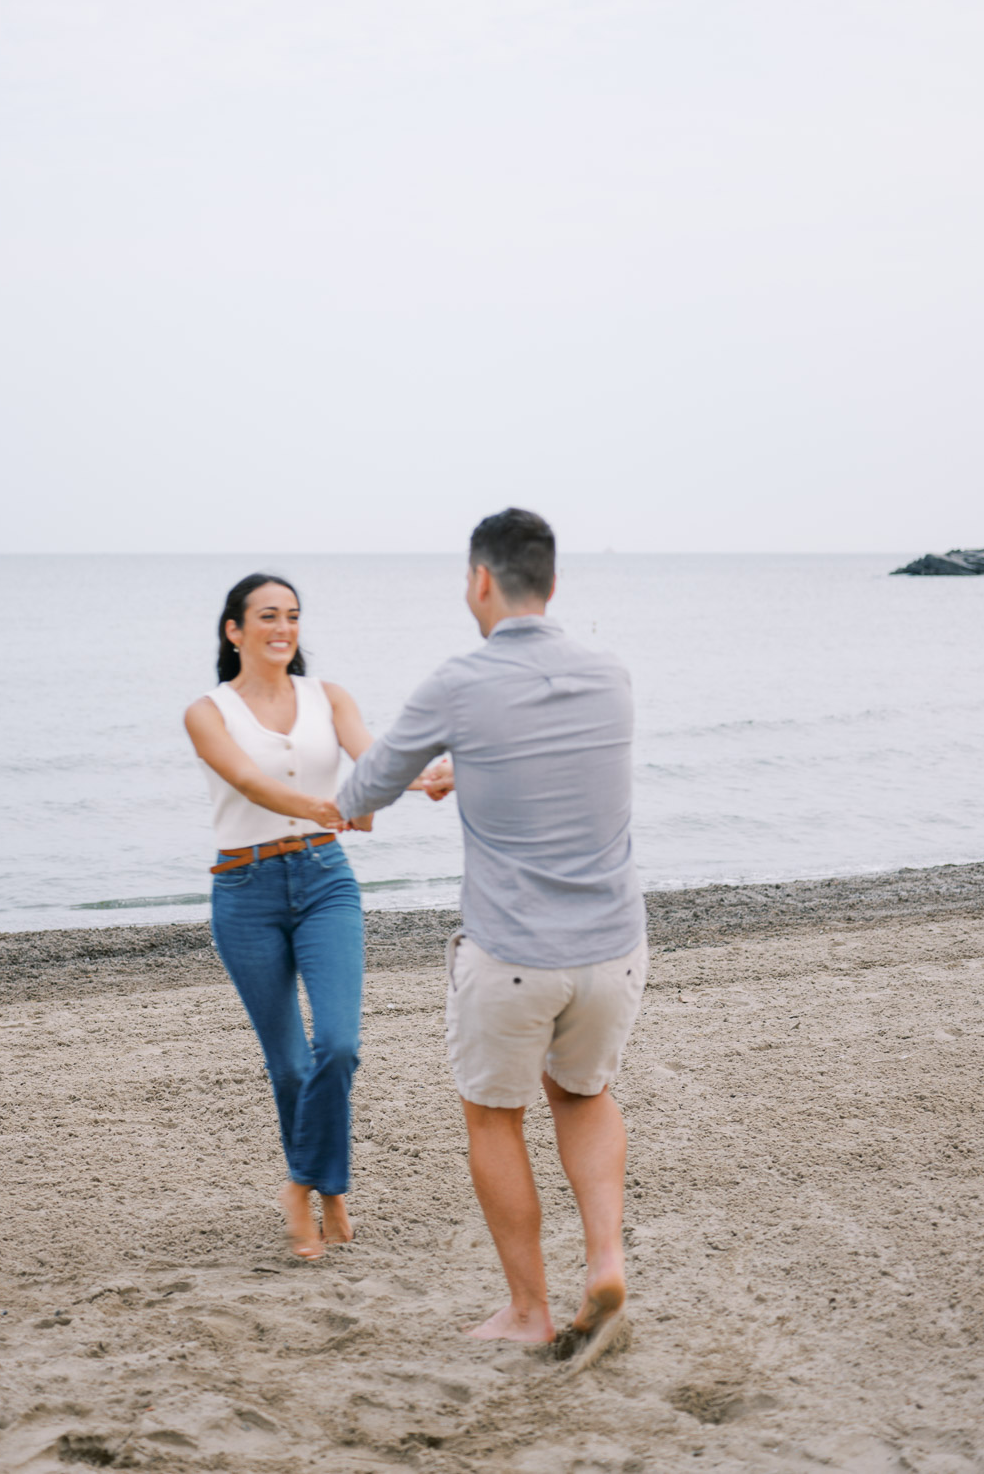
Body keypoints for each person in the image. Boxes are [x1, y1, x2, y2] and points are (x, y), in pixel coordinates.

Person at [336, 508, 648, 1360]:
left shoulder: (460, 681)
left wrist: (405, 781)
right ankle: (608, 1259)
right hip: (614, 948)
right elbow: (545, 762)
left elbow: (362, 787)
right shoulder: (611, 672)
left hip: (513, 954)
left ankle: (527, 1308)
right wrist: (463, 768)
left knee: (494, 1116)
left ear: (480, 579)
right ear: (552, 582)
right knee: (582, 1095)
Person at [184, 571, 375, 1262]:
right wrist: (325, 806)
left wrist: (416, 777)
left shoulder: (330, 697)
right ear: (234, 630)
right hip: (245, 889)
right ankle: (327, 1187)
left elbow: (370, 758)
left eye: (292, 615)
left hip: (327, 880)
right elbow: (246, 779)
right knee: (290, 1064)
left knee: (340, 1045)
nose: (283, 628)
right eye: (267, 615)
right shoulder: (207, 711)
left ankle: (305, 1181)